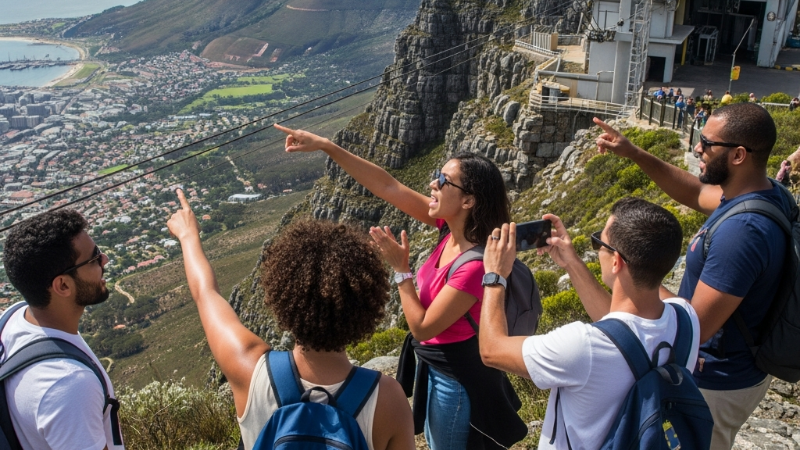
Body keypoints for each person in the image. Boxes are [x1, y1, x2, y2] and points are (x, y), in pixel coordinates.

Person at [274, 124, 527, 449]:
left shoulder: (476, 265)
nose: (433, 183)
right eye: (437, 174)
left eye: (444, 181)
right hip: (438, 367)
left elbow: (422, 327)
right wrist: (327, 146)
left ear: (468, 201)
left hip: (458, 380)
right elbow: (388, 186)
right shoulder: (448, 229)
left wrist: (401, 270)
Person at [593, 102, 795, 450]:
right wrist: (635, 153)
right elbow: (696, 192)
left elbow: (695, 325)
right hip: (728, 372)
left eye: (707, 142)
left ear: (738, 155)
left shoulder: (743, 232)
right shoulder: (762, 193)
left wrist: (634, 277)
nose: (697, 148)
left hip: (716, 384)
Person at [167, 191, 415, 450]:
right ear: (368, 306)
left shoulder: (250, 369)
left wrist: (188, 236)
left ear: (282, 298)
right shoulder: (388, 398)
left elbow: (205, 293)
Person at [478, 198, 700, 448]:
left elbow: (491, 350)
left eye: (598, 242)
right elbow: (624, 331)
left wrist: (494, 275)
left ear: (616, 261)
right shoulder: (687, 318)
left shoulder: (583, 347)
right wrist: (571, 263)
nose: (595, 249)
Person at [0, 209, 124, 450]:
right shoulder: (69, 384)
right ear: (63, 285)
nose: (105, 260)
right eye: (94, 258)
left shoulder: (12, 318)